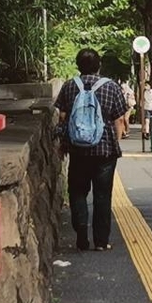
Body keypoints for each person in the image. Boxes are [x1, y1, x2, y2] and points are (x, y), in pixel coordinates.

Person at [54, 48, 128, 251]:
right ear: (99, 65)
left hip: (78, 150)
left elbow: (62, 117)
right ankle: (101, 242)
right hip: (104, 152)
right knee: (102, 195)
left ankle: (81, 236)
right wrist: (116, 143)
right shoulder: (111, 87)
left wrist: (62, 143)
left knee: (77, 191)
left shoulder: (70, 86)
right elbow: (119, 119)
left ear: (78, 66)